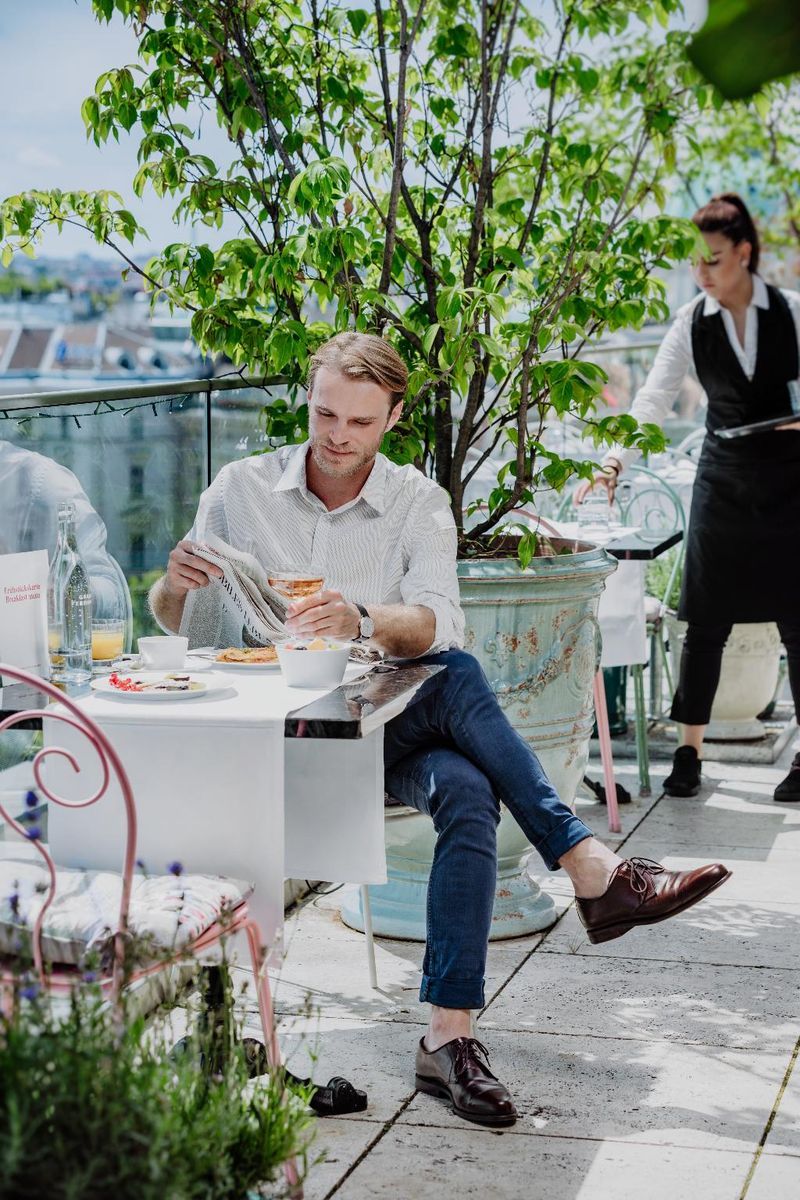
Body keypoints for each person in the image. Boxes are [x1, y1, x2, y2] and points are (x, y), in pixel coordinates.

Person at [151, 332, 730, 1127]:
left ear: (393, 415)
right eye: (324, 413)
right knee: (460, 727)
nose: (337, 435)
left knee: (458, 746)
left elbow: (438, 621)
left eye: (359, 420)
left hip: (377, 730)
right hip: (279, 733)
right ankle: (590, 868)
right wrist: (171, 586)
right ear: (309, 400)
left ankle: (448, 1039)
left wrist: (359, 617)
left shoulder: (417, 502)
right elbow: (181, 622)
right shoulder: (238, 488)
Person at [580, 194, 800, 804]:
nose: (702, 273)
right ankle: (688, 753)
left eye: (714, 260)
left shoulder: (791, 312)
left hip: (789, 479)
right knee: (704, 619)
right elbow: (652, 399)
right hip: (723, 474)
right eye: (696, 262)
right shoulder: (690, 322)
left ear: (745, 254)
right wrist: (614, 459)